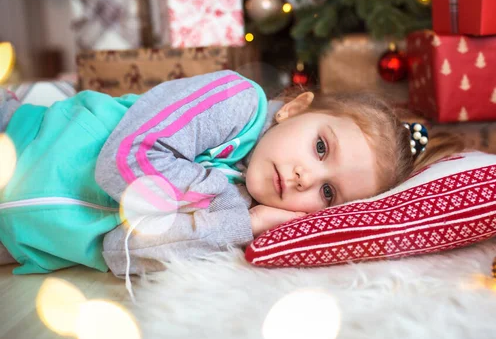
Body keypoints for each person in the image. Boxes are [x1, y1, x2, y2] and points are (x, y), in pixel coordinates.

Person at [0, 70, 462, 279]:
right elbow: (125, 162)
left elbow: (120, 253)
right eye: (321, 146)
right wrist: (216, 198)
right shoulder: (235, 102)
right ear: (295, 110)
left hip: (17, 240)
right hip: (16, 141)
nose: (306, 177)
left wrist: (250, 224)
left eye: (328, 192)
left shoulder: (242, 212)